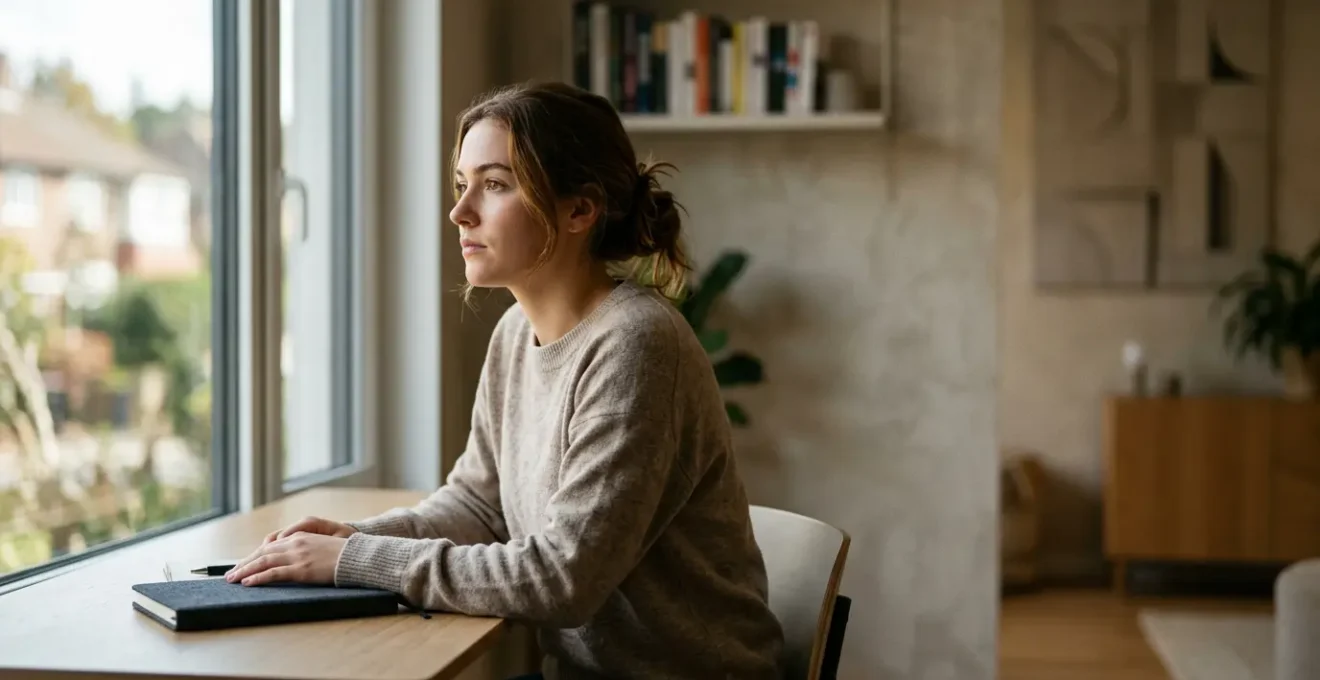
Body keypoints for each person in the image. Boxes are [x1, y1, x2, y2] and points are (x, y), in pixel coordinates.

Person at [224, 81, 785, 679]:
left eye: (494, 185)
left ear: (579, 209)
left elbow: (561, 579)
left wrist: (355, 559)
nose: (459, 212)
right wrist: (349, 538)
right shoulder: (516, 332)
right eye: (464, 184)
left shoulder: (638, 343)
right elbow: (477, 505)